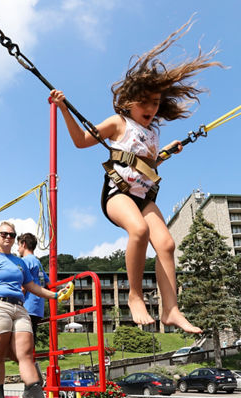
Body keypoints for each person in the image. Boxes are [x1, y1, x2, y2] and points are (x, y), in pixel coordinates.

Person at [49, 20, 219, 335]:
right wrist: (64, 109)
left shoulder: (152, 133)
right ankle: (135, 296)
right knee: (138, 231)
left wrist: (166, 152)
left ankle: (171, 309)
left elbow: (150, 165)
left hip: (145, 196)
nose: (152, 108)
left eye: (156, 103)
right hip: (118, 194)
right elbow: (81, 142)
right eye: (146, 102)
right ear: (130, 102)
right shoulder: (118, 122)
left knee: (166, 244)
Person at [0, 222, 71, 398]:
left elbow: (32, 286)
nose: (8, 237)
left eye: (12, 235)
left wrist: (56, 295)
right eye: (4, 234)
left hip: (19, 307)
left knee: (26, 355)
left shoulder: (20, 262)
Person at [9, 232, 47, 398]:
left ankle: (35, 381)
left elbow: (24, 285)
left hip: (26, 308)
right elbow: (45, 282)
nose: (17, 248)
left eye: (18, 245)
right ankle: (29, 391)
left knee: (20, 351)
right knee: (25, 351)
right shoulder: (38, 263)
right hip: (37, 308)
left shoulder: (25, 262)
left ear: (23, 244)